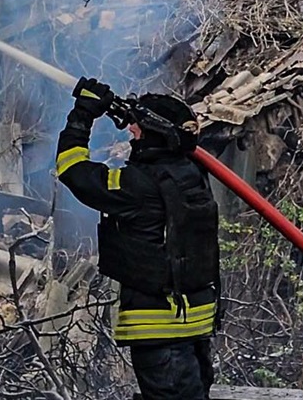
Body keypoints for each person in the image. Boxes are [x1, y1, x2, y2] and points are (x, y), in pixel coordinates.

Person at [55, 78, 220, 400]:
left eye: (138, 127)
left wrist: (83, 115)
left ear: (157, 134)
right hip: (194, 321)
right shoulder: (190, 173)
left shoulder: (138, 185)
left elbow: (72, 169)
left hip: (161, 326)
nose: (131, 130)